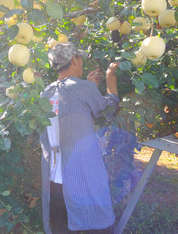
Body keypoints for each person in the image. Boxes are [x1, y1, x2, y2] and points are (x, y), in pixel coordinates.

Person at [40, 42, 120, 234]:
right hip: (80, 178)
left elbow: (73, 110)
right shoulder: (82, 88)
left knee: (61, 227)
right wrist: (110, 79)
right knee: (98, 226)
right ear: (74, 59)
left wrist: (91, 85)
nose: (82, 62)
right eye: (80, 58)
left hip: (52, 180)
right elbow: (107, 112)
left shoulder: (46, 92)